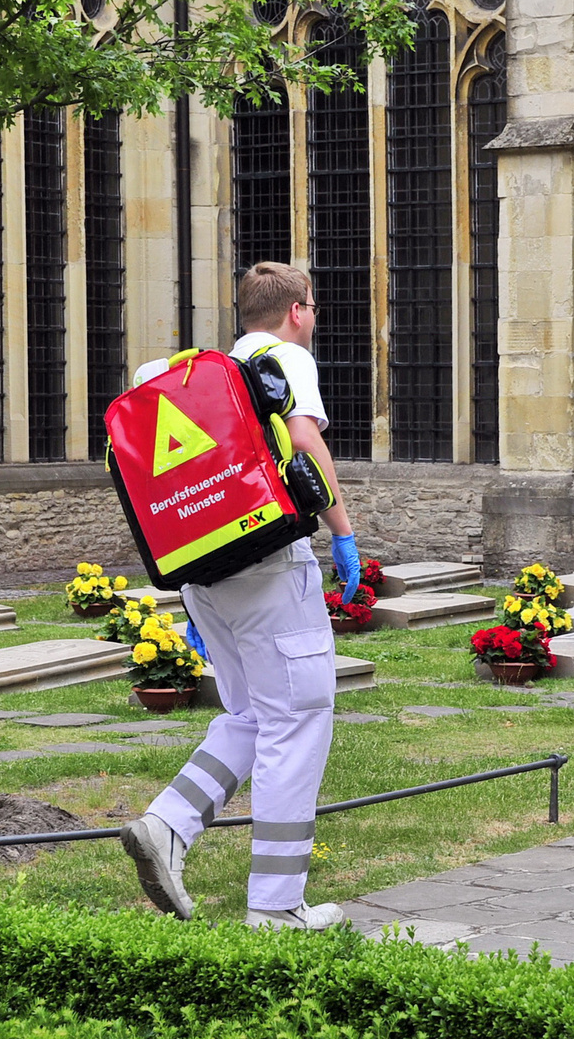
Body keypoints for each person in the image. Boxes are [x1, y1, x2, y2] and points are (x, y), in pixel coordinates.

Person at [120, 261, 362, 930]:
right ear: (293, 311)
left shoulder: (207, 378)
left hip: (205, 576)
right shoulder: (282, 359)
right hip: (270, 570)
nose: (312, 319)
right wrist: (343, 533)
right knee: (299, 718)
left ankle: (166, 826)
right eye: (311, 307)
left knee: (252, 716)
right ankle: (277, 905)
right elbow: (307, 439)